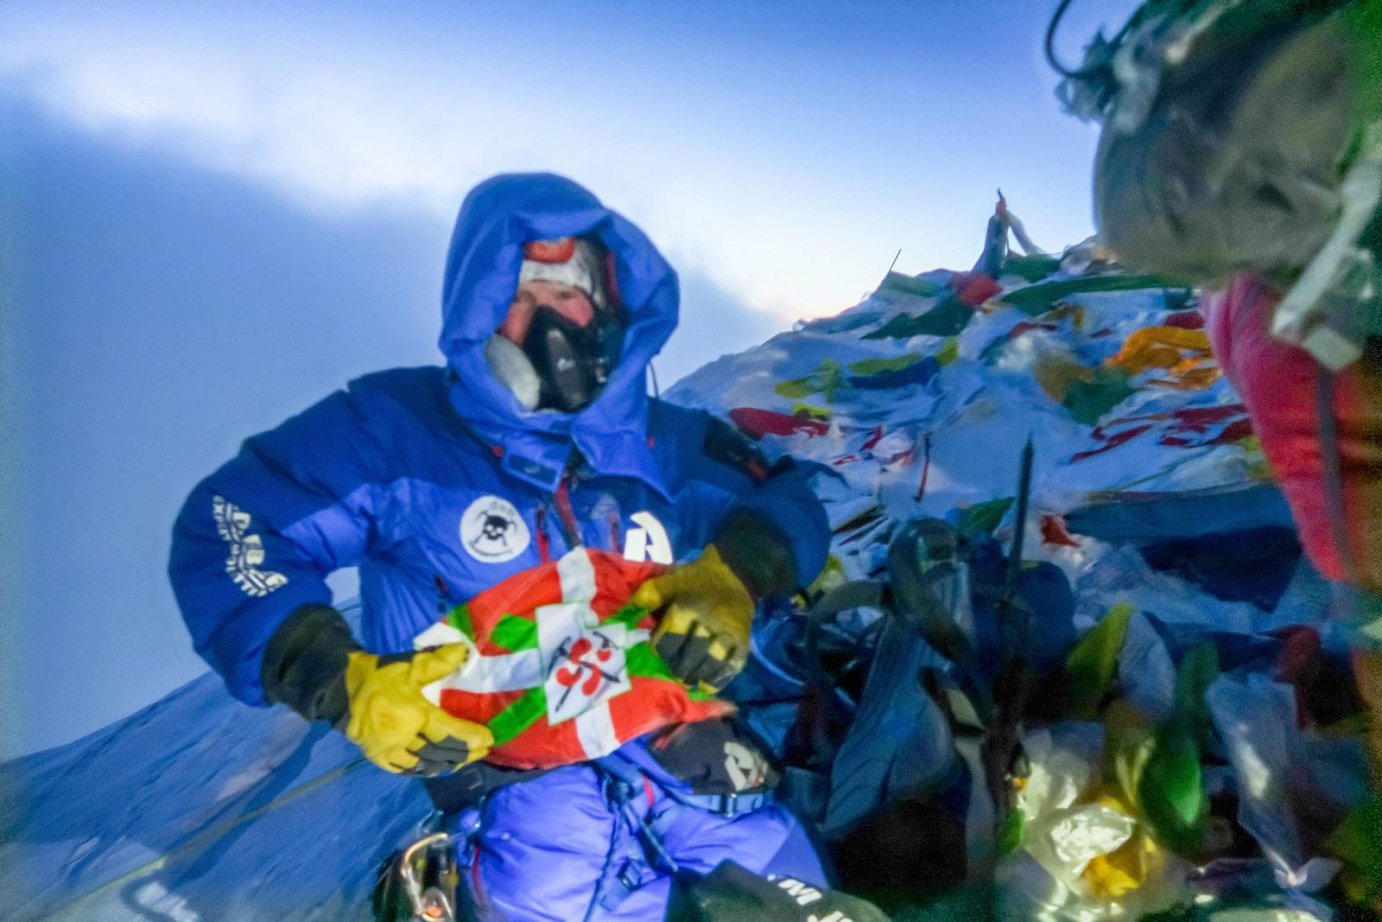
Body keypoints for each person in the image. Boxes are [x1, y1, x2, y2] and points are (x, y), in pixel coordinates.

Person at [168, 172, 835, 920]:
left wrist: (735, 576)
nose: (545, 323)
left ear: (609, 305)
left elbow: (785, 498)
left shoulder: (668, 443)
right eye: (517, 298)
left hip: (696, 756)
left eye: (565, 294)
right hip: (519, 791)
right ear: (476, 312)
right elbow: (236, 524)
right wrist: (336, 675)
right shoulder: (392, 431)